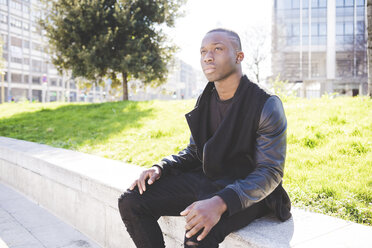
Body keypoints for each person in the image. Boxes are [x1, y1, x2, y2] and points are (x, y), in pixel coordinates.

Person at [118, 28, 291, 248]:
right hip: (209, 179)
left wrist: (220, 202)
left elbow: (270, 171)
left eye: (218, 49)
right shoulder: (206, 98)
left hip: (249, 193)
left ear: (239, 56)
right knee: (132, 201)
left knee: (197, 232)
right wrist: (161, 167)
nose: (207, 56)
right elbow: (194, 152)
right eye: (203, 51)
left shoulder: (266, 104)